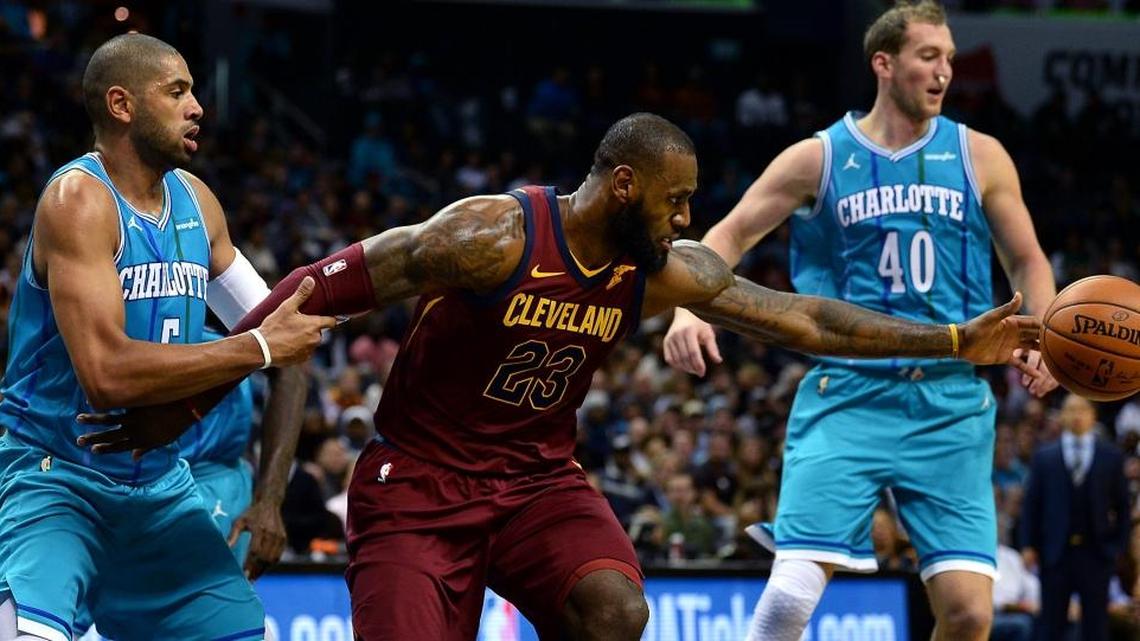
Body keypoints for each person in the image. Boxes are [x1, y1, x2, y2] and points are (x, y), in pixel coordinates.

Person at [81, 112, 1041, 640]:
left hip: (537, 481)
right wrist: (191, 404)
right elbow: (310, 293)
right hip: (418, 484)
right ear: (624, 185)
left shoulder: (660, 269)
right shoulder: (490, 236)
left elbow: (804, 316)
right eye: (675, 200)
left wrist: (956, 338)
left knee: (615, 608)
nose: (686, 220)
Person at [663, 2, 1057, 639]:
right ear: (884, 63)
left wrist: (1044, 330)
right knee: (789, 599)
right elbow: (728, 234)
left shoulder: (981, 155)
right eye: (928, 56)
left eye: (950, 58)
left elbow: (1028, 259)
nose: (944, 71)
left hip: (951, 400)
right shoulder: (818, 157)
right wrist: (686, 306)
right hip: (848, 391)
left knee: (968, 615)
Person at [0, 33, 333, 641]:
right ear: (122, 105)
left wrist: (268, 499)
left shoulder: (199, 203)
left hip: (158, 488)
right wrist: (259, 346)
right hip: (56, 479)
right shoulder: (79, 200)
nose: (197, 106)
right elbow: (105, 376)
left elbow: (292, 343)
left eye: (193, 91)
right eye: (176, 92)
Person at [1022, 394, 1131, 641]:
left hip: (1097, 554)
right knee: (1051, 624)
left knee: (1096, 625)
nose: (1077, 415)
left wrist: (1118, 547)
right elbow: (1032, 505)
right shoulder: (1044, 456)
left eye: (1082, 409)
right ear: (1061, 416)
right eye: (1071, 409)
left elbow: (1123, 508)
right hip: (1055, 553)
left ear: (1093, 415)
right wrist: (1028, 544)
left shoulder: (1111, 456)